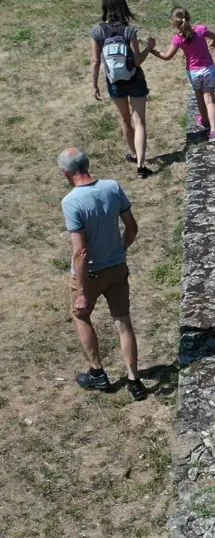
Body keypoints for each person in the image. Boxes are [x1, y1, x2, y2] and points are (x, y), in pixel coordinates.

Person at [58, 147, 147, 401]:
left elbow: (81, 252)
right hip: (117, 267)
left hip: (91, 273)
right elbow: (131, 227)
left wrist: (83, 291)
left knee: (81, 315)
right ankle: (134, 380)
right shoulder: (112, 187)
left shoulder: (71, 202)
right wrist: (121, 249)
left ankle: (97, 373)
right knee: (123, 321)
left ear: (66, 173)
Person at [90, 0, 154, 179]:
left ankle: (134, 154)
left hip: (115, 82)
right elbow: (136, 61)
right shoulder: (129, 30)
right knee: (139, 121)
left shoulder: (98, 31)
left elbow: (95, 61)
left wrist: (94, 85)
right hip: (135, 79)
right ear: (123, 6)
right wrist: (149, 48)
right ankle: (141, 166)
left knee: (126, 120)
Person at [148, 7, 215, 141]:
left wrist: (152, 51)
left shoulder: (178, 39)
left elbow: (167, 56)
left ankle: (205, 121)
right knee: (210, 100)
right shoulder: (200, 29)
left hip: (193, 72)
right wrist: (214, 42)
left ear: (173, 23)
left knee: (199, 97)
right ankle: (214, 131)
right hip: (208, 69)